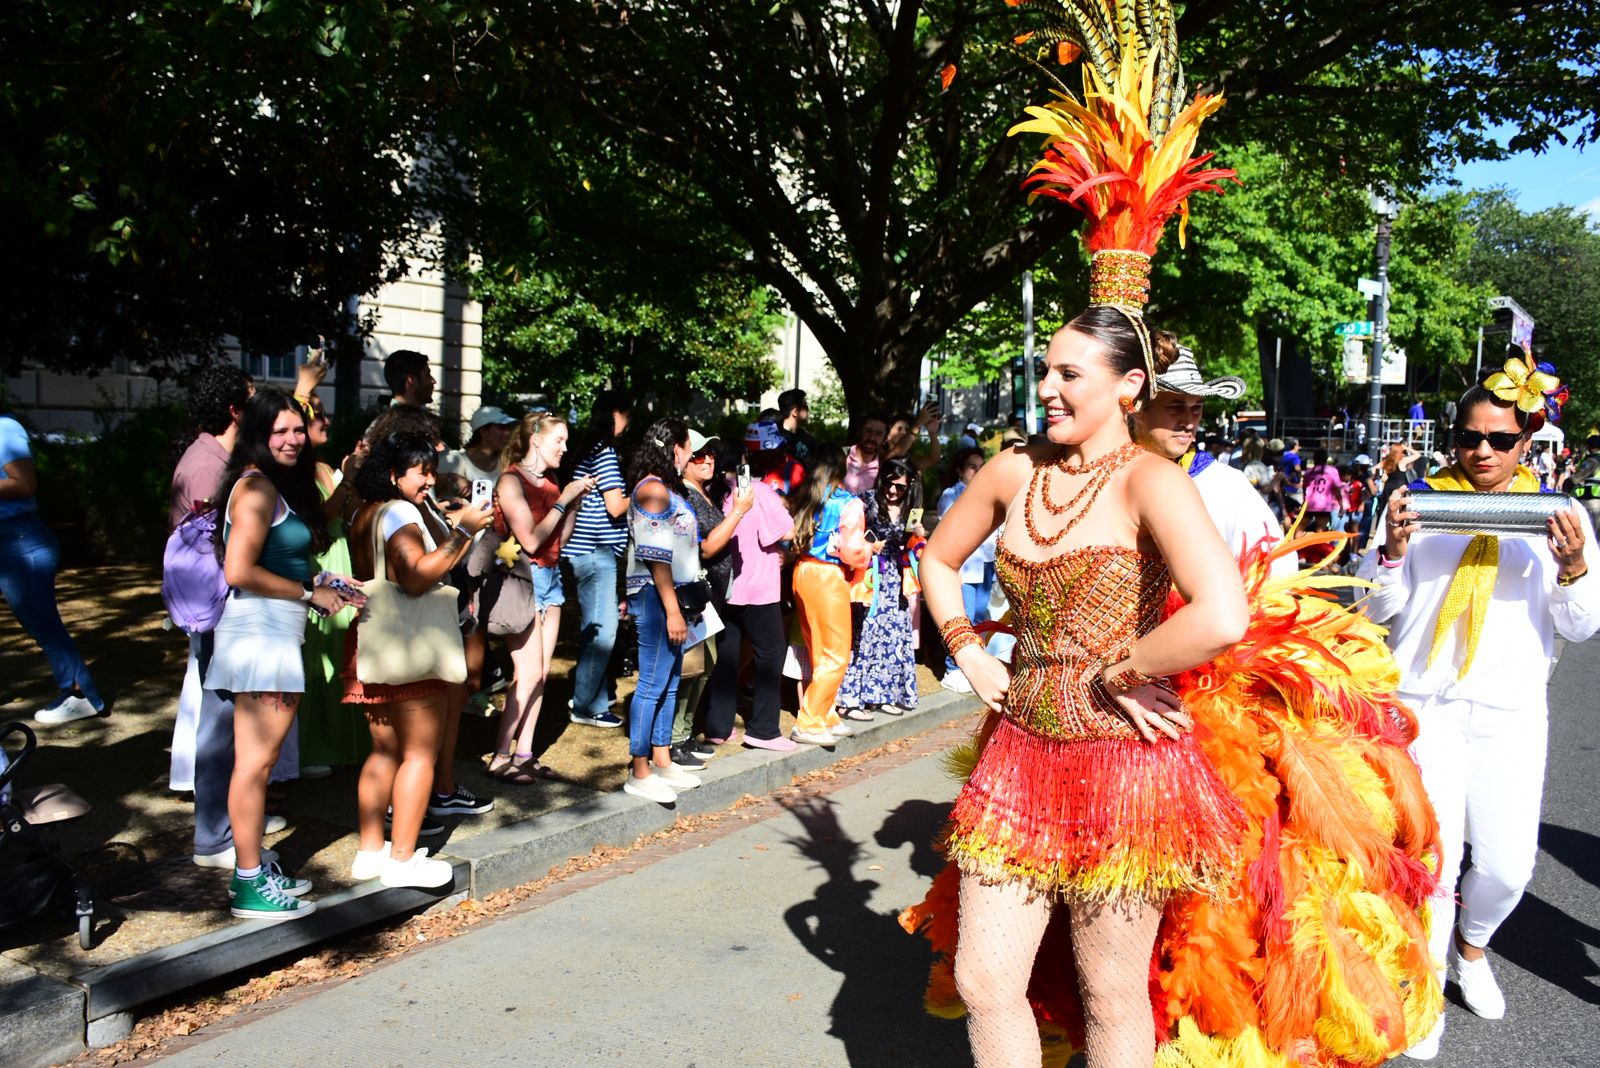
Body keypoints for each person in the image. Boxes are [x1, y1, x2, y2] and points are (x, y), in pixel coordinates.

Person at [922, 305, 1251, 1065]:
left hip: (1123, 765)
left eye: (1069, 374)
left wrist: (1126, 669)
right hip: (1017, 756)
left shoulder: (1153, 481)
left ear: (1129, 385)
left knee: (1109, 989)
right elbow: (937, 561)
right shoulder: (1014, 469)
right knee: (983, 978)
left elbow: (1222, 613)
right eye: (1045, 371)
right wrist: (966, 649)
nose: (1048, 389)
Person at [1358, 369, 1599, 1060]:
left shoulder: (1562, 516)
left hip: (1510, 713)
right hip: (1425, 708)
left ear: (1528, 437)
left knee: (1508, 866)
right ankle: (1425, 985)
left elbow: (1581, 627)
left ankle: (1474, 948)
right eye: (1469, 437)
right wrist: (1392, 553)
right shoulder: (1415, 502)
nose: (1483, 451)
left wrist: (1576, 566)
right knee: (1433, 861)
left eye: (1500, 438)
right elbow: (1375, 609)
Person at [204, 390, 354, 918]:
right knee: (255, 765)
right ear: (257, 436)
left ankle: (253, 868)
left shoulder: (268, 486)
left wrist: (326, 581)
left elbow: (279, 561)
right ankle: (248, 882)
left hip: (271, 633)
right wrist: (310, 593)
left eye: (298, 430)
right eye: (280, 432)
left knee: (256, 764)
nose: (292, 440)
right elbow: (238, 571)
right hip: (261, 637)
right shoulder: (256, 488)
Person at [345, 432, 492, 887]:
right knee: (419, 755)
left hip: (374, 640)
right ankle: (403, 858)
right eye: (421, 471)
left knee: (384, 751)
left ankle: (372, 850)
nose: (430, 480)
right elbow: (415, 576)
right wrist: (466, 529)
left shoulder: (363, 512)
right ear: (395, 474)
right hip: (411, 645)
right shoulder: (401, 511)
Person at [487, 413, 594, 782]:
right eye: (558, 441)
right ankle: (500, 756)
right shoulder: (510, 480)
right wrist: (564, 500)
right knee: (528, 672)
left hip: (549, 579)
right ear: (535, 440)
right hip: (522, 580)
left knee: (543, 673)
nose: (564, 448)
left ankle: (524, 753)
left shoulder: (551, 483)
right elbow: (531, 541)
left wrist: (573, 502)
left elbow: (557, 542)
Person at [1130, 340, 1293, 576]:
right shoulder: (1104, 474)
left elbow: (1276, 569)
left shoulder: (1226, 485)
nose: (1189, 421)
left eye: (1197, 408)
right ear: (1138, 407)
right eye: (1176, 407)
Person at [167, 362, 254, 786]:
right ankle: (216, 817)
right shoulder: (207, 465)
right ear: (236, 409)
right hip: (216, 603)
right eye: (252, 398)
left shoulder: (219, 458)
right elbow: (208, 546)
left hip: (221, 600)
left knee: (222, 706)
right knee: (219, 711)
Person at [619, 419, 706, 803]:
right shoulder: (653, 490)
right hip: (657, 597)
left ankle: (661, 757)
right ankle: (639, 770)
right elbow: (656, 557)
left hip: (672, 596)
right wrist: (672, 610)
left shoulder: (663, 488)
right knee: (653, 682)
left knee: (670, 682)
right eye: (688, 449)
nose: (690, 457)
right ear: (674, 449)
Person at [1, 410, 107, 725]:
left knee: (42, 622)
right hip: (10, 541)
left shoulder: (5, 429)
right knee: (37, 621)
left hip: (19, 540)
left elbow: (24, 483)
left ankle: (81, 695)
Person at [292, 388, 369, 776]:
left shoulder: (324, 468)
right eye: (317, 415)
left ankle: (342, 743)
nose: (327, 421)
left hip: (339, 561)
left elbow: (345, 511)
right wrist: (347, 478)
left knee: (341, 650)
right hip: (318, 566)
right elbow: (318, 519)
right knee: (317, 655)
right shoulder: (296, 473)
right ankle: (313, 746)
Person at [706, 420, 796, 751]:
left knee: (728, 656)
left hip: (727, 588)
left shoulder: (717, 491)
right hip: (759, 589)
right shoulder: (760, 492)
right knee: (770, 655)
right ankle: (763, 730)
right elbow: (784, 532)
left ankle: (717, 726)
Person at [669, 430, 753, 764]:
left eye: (712, 454)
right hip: (692, 596)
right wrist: (738, 512)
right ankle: (674, 740)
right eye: (699, 455)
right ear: (683, 460)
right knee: (690, 668)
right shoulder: (682, 495)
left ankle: (686, 735)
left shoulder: (701, 492)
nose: (708, 460)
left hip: (709, 600)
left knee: (705, 666)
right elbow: (704, 547)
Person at [790, 445, 872, 746]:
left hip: (803, 572)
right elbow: (852, 550)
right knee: (836, 653)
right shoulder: (848, 503)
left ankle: (826, 714)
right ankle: (811, 719)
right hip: (829, 576)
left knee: (818, 650)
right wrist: (867, 553)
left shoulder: (806, 497)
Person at [562, 390, 631, 729]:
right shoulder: (604, 453)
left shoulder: (589, 450)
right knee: (602, 629)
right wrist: (647, 493)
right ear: (616, 413)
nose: (628, 424)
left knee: (597, 624)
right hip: (595, 550)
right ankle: (587, 705)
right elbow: (616, 506)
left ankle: (595, 697)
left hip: (585, 549)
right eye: (627, 415)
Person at [836, 458, 922, 718]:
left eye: (901, 487)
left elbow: (910, 544)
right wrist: (869, 546)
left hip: (896, 578)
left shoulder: (909, 507)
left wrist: (917, 535)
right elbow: (849, 536)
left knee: (894, 635)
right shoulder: (866, 501)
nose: (894, 491)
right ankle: (851, 699)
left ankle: (884, 694)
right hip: (870, 575)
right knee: (865, 635)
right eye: (890, 484)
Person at [936, 447, 997, 694]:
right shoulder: (951, 495)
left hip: (985, 566)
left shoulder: (989, 493)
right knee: (964, 617)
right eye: (973, 466)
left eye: (981, 466)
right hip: (964, 566)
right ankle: (953, 668)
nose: (978, 471)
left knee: (981, 619)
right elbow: (948, 532)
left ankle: (976, 668)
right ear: (960, 470)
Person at [436, 405, 517, 500]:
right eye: (502, 428)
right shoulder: (453, 460)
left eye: (509, 427)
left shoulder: (506, 463)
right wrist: (451, 478)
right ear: (483, 432)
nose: (508, 433)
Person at [882, 403, 945, 473]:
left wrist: (932, 433)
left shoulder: (910, 460)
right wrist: (918, 424)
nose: (903, 432)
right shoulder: (878, 456)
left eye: (907, 429)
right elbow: (896, 454)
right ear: (888, 434)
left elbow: (933, 459)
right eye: (899, 428)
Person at [1301, 447, 1345, 533]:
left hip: (1309, 504)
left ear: (1314, 459)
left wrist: (1304, 501)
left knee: (1300, 528)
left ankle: (1297, 545)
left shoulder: (1308, 472)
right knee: (1320, 529)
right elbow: (1336, 489)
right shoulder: (1332, 471)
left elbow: (1304, 487)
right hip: (1324, 505)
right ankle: (1318, 546)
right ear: (1326, 459)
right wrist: (1341, 505)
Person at [842, 413, 888, 494]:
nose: (872, 438)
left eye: (878, 434)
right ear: (859, 432)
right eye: (868, 431)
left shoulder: (883, 469)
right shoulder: (841, 456)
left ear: (885, 440)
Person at [776, 387, 818, 467]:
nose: (808, 410)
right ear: (795, 412)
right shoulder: (776, 439)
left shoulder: (807, 437)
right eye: (805, 406)